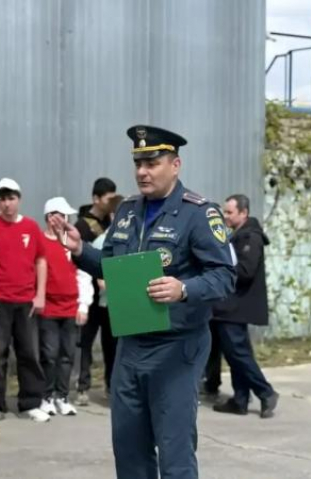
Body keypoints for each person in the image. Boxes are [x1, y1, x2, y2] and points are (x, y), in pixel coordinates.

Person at [50, 125, 236, 478]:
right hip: (131, 345)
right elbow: (113, 267)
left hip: (177, 348)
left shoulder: (199, 213)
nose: (142, 172)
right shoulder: (127, 211)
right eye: (138, 163)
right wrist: (79, 249)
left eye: (152, 163)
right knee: (129, 450)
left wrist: (184, 288)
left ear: (175, 165)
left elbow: (224, 276)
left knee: (174, 453)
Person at [0, 178, 50, 422]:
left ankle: (30, 403)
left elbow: (41, 260)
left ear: (19, 199)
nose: (7, 204)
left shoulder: (31, 227)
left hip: (26, 301)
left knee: (29, 353)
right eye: (3, 199)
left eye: (11, 198)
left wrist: (40, 295)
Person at [210, 194, 279, 418]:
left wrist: (220, 268)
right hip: (229, 306)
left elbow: (246, 271)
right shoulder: (237, 235)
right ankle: (240, 399)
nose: (225, 216)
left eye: (230, 212)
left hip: (236, 307)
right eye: (225, 212)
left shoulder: (251, 238)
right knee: (235, 354)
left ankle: (266, 392)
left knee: (238, 354)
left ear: (244, 213)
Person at [37, 197, 93, 418]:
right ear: (50, 217)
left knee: (67, 355)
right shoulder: (40, 241)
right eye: (61, 215)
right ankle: (46, 396)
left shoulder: (71, 244)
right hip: (49, 309)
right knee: (49, 354)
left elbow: (83, 274)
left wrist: (83, 305)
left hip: (70, 308)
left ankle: (62, 396)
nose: (65, 219)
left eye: (66, 216)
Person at [75, 178, 119, 406]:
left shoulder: (113, 223)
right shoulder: (83, 226)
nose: (112, 203)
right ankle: (82, 386)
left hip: (110, 297)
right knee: (85, 343)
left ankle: (111, 386)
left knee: (111, 344)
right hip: (90, 295)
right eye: (108, 199)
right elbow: (79, 260)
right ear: (96, 198)